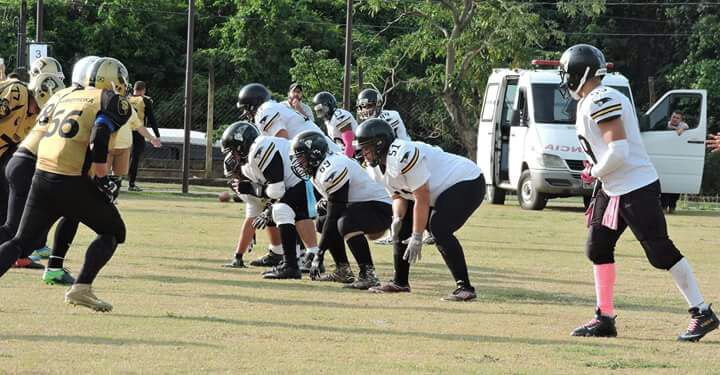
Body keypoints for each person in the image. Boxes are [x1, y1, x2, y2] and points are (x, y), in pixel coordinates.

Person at [559, 43, 718, 341]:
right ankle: (604, 318)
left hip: (634, 186)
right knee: (597, 247)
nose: (564, 79)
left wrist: (593, 170)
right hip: (613, 188)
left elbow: (618, 151)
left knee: (659, 251)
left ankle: (702, 312)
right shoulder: (593, 99)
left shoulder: (601, 99)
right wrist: (597, 168)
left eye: (566, 73)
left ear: (579, 73)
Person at [0, 56, 132, 312]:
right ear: (111, 79)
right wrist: (102, 173)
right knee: (114, 232)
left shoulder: (64, 95)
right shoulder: (110, 100)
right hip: (71, 178)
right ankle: (82, 287)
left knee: (19, 242)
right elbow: (101, 132)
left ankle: (57, 267)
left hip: (41, 174)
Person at [355, 118, 484, 301]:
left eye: (366, 147)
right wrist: (397, 218)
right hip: (435, 191)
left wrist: (417, 236)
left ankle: (465, 288)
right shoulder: (375, 168)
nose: (363, 153)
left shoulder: (403, 154)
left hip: (466, 181)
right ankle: (400, 282)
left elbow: (421, 197)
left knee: (439, 228)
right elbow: (399, 196)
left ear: (380, 144)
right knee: (402, 224)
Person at [291, 131, 391, 289]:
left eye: (301, 157)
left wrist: (320, 252)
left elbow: (335, 214)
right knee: (322, 223)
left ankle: (368, 274)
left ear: (314, 154)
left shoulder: (332, 168)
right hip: (363, 206)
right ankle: (342, 270)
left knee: (345, 222)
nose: (299, 162)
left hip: (381, 208)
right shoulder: (320, 169)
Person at [220, 121, 314, 279]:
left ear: (241, 146)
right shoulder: (250, 166)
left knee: (281, 210)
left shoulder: (259, 149)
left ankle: (297, 260)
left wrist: (252, 190)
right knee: (278, 211)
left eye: (234, 153)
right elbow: (254, 213)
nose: (234, 180)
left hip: (305, 179)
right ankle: (297, 258)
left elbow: (277, 190)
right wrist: (238, 256)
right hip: (299, 181)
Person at [127, 81, 162, 192]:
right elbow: (151, 119)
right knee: (135, 157)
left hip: (125, 131)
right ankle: (131, 183)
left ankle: (115, 180)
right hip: (138, 131)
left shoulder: (126, 99)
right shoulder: (145, 101)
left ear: (134, 89)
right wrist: (157, 135)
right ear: (144, 90)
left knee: (122, 155)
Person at [312, 91, 357, 158]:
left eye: (322, 109)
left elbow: (349, 143)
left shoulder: (339, 115)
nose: (321, 112)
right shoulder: (328, 121)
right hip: (344, 153)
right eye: (318, 110)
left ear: (329, 105)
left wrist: (346, 160)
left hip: (356, 153)